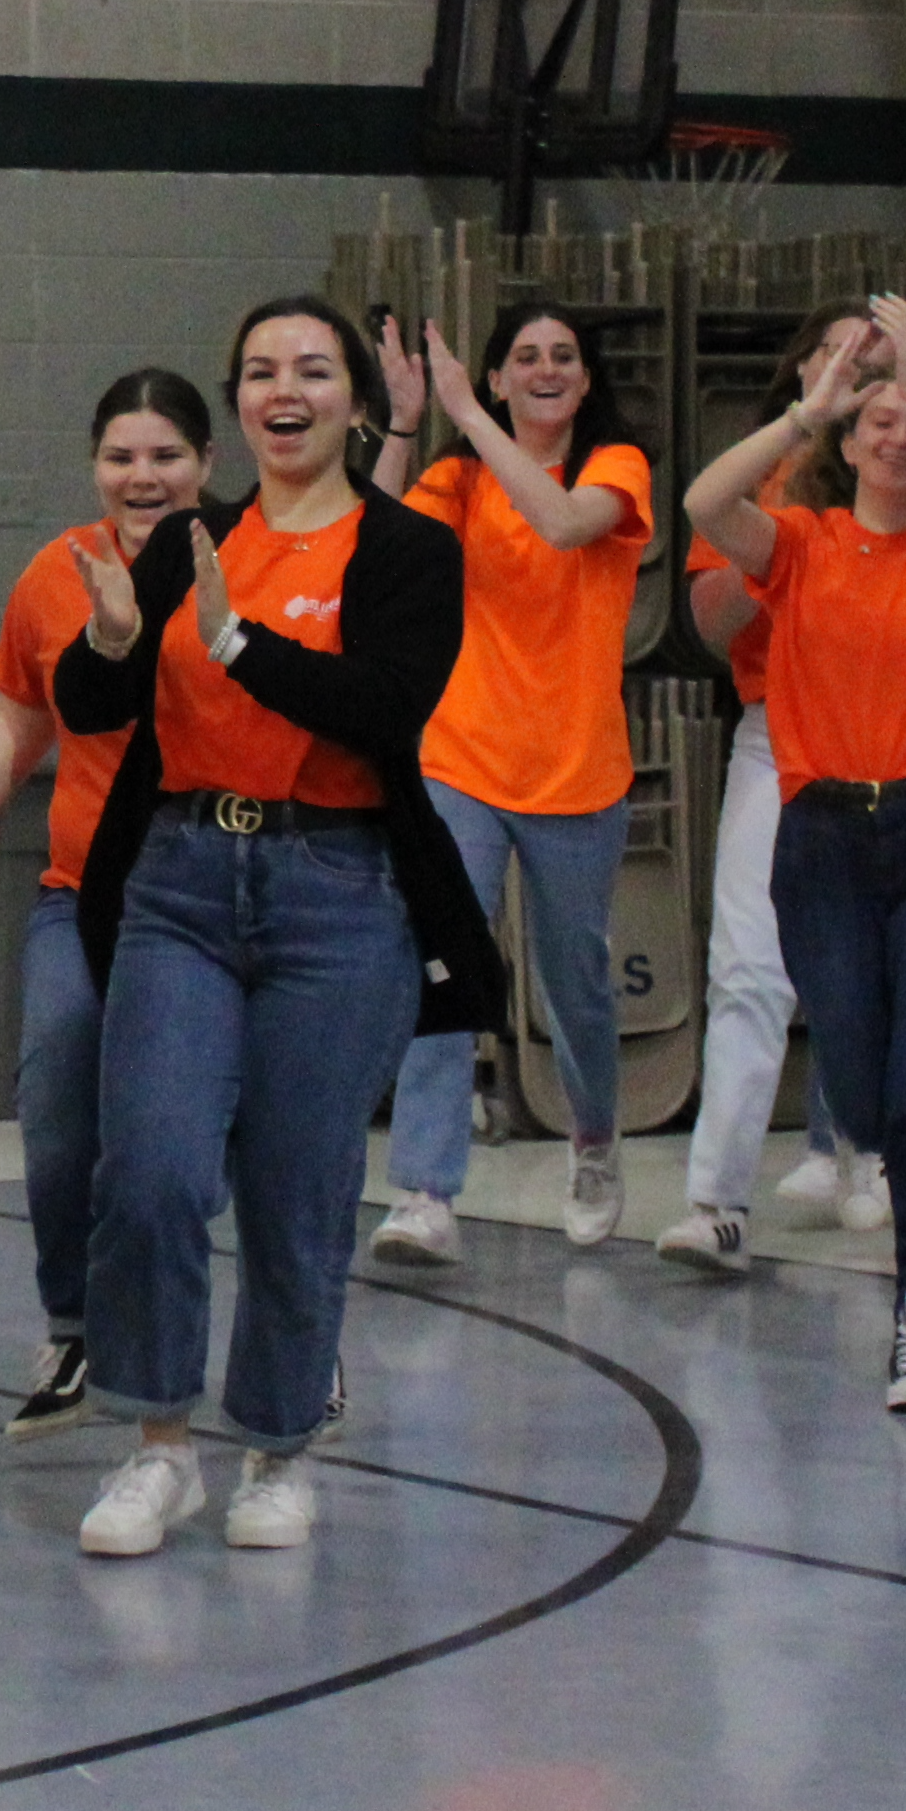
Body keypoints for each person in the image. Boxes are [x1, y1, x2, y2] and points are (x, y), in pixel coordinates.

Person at [50, 296, 477, 1559]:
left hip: (336, 889)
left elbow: (387, 708)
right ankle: (157, 1446)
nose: (282, 391)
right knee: (152, 1171)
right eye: (257, 372)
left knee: (298, 1188)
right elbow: (97, 698)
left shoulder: (407, 550)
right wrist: (114, 635)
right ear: (237, 401)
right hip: (181, 879)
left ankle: (280, 1448)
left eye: (311, 370)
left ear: (355, 399)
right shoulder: (191, 537)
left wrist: (241, 643)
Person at [687, 293, 906, 1414]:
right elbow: (704, 500)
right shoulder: (801, 543)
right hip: (826, 837)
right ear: (846, 444)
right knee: (875, 1093)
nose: (898, 435)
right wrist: (807, 412)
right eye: (876, 422)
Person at [0, 368, 214, 1437]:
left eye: (166, 455)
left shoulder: (242, 564)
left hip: (213, 893)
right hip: (81, 890)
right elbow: (18, 717)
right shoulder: (56, 572)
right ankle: (76, 1324)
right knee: (56, 1105)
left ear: (205, 466)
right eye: (122, 457)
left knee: (197, 1142)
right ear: (96, 467)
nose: (143, 476)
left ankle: (287, 1342)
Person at [360, 297, 654, 1269]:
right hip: (463, 762)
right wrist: (409, 418)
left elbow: (566, 525)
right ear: (496, 372)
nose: (544, 368)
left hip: (578, 771)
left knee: (577, 988)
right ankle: (425, 1190)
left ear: (585, 375)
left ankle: (595, 1140)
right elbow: (373, 538)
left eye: (562, 355)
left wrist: (471, 415)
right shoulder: (457, 476)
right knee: (443, 960)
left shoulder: (617, 468)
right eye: (524, 355)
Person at [652, 320, 861, 1281]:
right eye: (832, 349)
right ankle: (718, 1201)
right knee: (749, 964)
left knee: (894, 961)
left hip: (897, 740)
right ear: (801, 370)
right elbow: (706, 618)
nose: (848, 367)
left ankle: (887, 1154)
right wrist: (781, 550)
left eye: (871, 353)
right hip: (778, 734)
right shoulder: (761, 484)